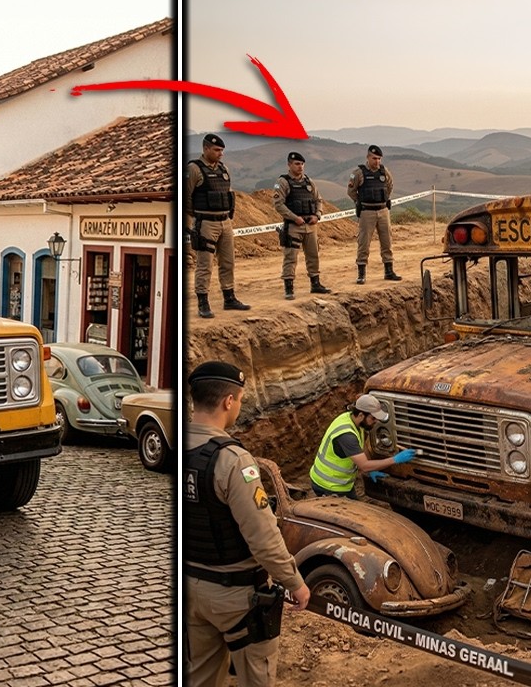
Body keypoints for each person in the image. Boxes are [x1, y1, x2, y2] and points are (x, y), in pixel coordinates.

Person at [184, 361, 308, 686]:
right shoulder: (233, 461)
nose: (238, 405)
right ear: (228, 401)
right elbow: (263, 537)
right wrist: (294, 582)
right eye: (239, 399)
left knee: (201, 677)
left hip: (190, 587)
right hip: (235, 596)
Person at [186, 133, 250, 318]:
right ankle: (203, 302)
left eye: (222, 150)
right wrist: (193, 220)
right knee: (205, 264)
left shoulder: (224, 169)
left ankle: (229, 297)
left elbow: (228, 194)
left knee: (228, 262)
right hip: (205, 222)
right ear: (205, 149)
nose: (220, 153)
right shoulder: (194, 169)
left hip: (225, 222)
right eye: (216, 150)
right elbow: (186, 198)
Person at [310, 394, 415, 498]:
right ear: (361, 415)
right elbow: (364, 465)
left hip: (337, 483)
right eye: (373, 418)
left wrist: (371, 470)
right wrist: (395, 459)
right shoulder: (347, 436)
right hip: (329, 485)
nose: (376, 422)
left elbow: (360, 447)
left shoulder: (353, 420)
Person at [273, 151, 330, 300]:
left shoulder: (308, 182)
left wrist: (317, 215)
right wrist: (294, 217)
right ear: (289, 165)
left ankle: (315, 284)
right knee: (291, 257)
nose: (300, 167)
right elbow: (279, 205)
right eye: (297, 164)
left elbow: (319, 200)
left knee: (313, 255)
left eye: (302, 164)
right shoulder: (283, 182)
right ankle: (289, 288)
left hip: (310, 225)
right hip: (293, 226)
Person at [346, 145, 400, 284]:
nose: (377, 161)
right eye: (374, 158)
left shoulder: (384, 171)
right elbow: (351, 191)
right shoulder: (358, 173)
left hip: (383, 211)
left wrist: (384, 198)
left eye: (379, 159)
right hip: (367, 212)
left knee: (387, 241)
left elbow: (390, 186)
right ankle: (361, 273)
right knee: (364, 243)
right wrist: (360, 201)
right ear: (368, 157)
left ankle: (389, 271)